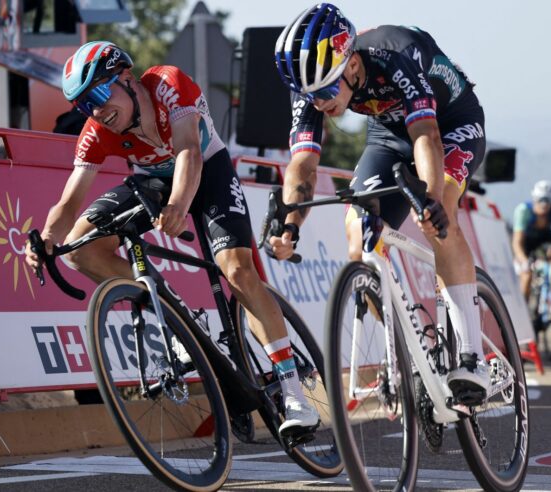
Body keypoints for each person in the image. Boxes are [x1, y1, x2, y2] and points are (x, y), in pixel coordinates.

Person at [25, 41, 319, 436]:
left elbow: (189, 153)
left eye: (98, 95)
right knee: (82, 249)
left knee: (237, 269)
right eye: (83, 105)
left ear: (126, 79)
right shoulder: (97, 131)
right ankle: (178, 318)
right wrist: (45, 239)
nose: (95, 111)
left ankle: (292, 389)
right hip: (154, 182)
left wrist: (179, 205)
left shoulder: (167, 84)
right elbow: (69, 200)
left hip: (207, 169)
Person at [268, 4, 490, 405]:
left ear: (352, 65)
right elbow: (303, 164)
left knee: (439, 219)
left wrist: (433, 199)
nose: (319, 104)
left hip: (451, 125)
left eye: (326, 91)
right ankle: (411, 354)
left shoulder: (396, 53)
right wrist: (290, 223)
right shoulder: (312, 85)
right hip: (388, 136)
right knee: (360, 238)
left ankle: (472, 357)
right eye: (310, 96)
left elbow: (427, 137)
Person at [512, 180, 551, 300]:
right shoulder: (523, 210)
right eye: (541, 200)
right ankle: (524, 305)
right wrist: (523, 260)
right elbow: (517, 241)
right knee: (526, 274)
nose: (544, 205)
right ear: (534, 199)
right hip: (527, 241)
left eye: (548, 201)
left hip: (545, 238)